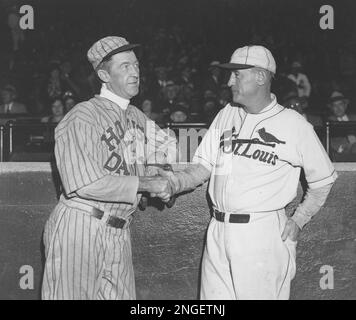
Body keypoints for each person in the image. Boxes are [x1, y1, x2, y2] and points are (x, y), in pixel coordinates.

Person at [157, 45, 337, 300]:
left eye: (237, 75)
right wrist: (174, 183)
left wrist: (299, 219)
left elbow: (324, 180)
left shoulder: (293, 124)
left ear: (261, 77)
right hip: (218, 229)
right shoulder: (226, 114)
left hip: (261, 233)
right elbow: (202, 166)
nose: (229, 81)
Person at [41, 36, 176, 300]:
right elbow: (85, 183)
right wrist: (147, 184)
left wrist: (160, 169)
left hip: (120, 229)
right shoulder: (81, 116)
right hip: (81, 226)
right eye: (124, 66)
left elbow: (168, 144)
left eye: (136, 65)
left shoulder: (136, 116)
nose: (135, 72)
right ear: (104, 74)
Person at [327, 91, 356, 156]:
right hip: (341, 154)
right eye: (335, 105)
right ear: (331, 108)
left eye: (340, 104)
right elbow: (330, 142)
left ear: (345, 105)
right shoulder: (330, 122)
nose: (338, 108)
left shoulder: (354, 118)